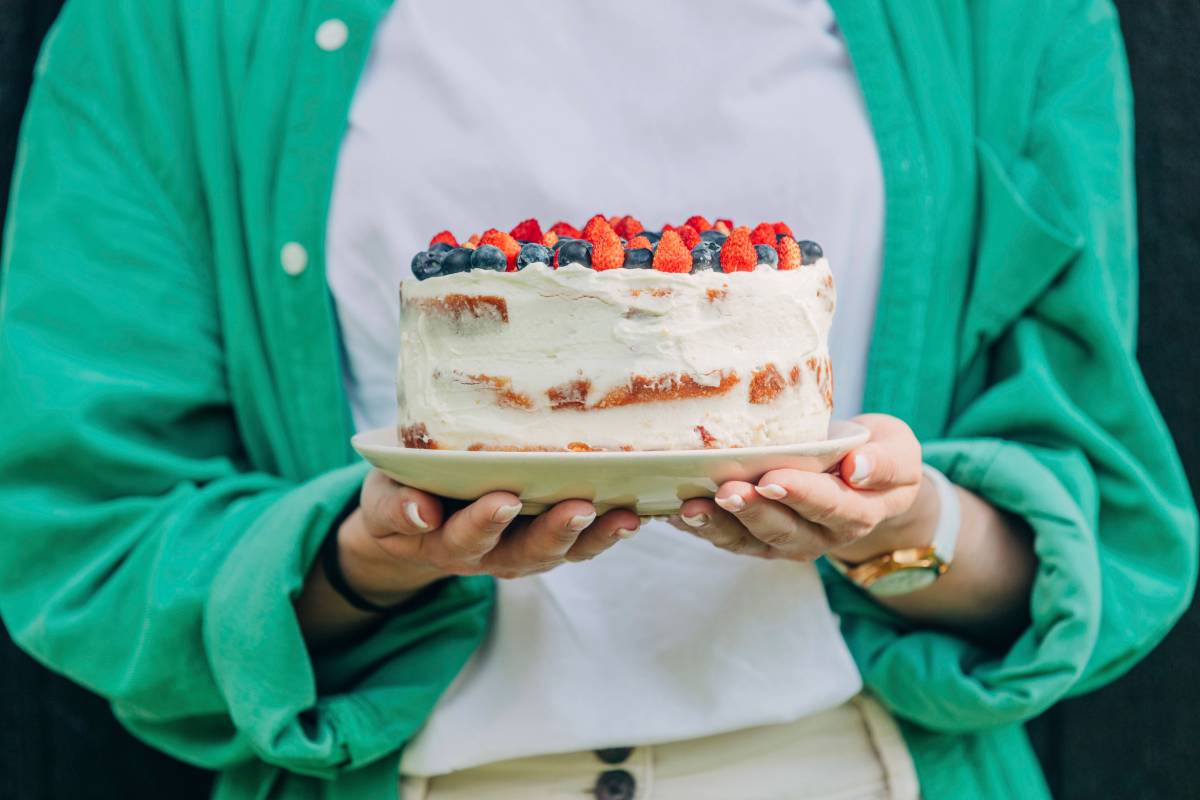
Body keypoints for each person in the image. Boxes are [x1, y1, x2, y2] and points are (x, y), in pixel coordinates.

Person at [0, 1, 1194, 798]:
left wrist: (908, 530)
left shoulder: (1013, 19)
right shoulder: (166, 26)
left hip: (856, 763)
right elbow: (81, 532)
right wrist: (363, 564)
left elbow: (1099, 517)